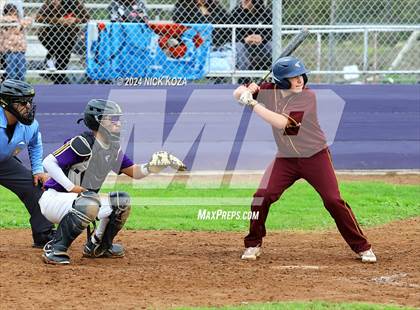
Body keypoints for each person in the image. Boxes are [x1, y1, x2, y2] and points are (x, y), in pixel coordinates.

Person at [233, 56, 377, 263]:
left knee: (333, 200)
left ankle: (362, 247)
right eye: (293, 77)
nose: (300, 80)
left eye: (301, 75)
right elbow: (236, 92)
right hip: (286, 159)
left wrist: (253, 103)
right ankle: (253, 243)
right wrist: (245, 91)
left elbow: (283, 123)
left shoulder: (306, 97)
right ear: (281, 81)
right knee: (262, 196)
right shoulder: (268, 91)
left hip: (315, 156)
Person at [40, 99, 187, 265]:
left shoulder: (112, 148)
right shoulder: (82, 143)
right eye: (113, 119)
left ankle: (98, 246)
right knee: (90, 201)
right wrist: (71, 187)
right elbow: (48, 162)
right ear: (98, 120)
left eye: (119, 119)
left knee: (121, 202)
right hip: (54, 199)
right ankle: (55, 249)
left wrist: (154, 166)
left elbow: (135, 173)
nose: (118, 123)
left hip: (82, 202)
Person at [0, 79, 55, 247]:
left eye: (29, 101)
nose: (28, 106)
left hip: (4, 163)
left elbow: (35, 143)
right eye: (22, 102)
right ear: (5, 103)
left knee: (35, 188)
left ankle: (44, 235)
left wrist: (37, 169)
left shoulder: (30, 125)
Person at [36, 0, 89, 84]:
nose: (55, 1)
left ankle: (53, 71)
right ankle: (50, 62)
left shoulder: (75, 2)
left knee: (63, 61)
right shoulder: (49, 3)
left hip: (69, 36)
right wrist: (58, 20)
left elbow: (87, 18)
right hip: (49, 35)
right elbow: (38, 18)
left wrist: (75, 20)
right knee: (60, 49)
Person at [230, 0, 272, 75]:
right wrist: (244, 39)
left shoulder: (266, 12)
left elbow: (271, 32)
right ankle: (244, 76)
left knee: (272, 46)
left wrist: (262, 37)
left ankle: (270, 73)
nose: (244, 2)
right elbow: (231, 32)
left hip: (262, 43)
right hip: (244, 43)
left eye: (247, 0)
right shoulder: (236, 12)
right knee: (239, 46)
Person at [0, 3, 32, 81]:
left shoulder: (20, 21)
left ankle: (21, 85)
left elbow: (30, 20)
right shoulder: (4, 24)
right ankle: (12, 85)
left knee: (22, 71)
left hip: (20, 50)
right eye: (10, 13)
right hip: (9, 51)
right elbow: (4, 19)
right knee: (12, 72)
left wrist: (19, 24)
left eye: (14, 12)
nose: (13, 15)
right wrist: (13, 21)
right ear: (6, 13)